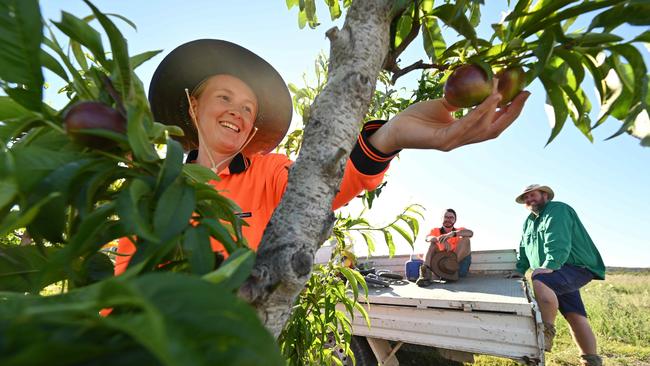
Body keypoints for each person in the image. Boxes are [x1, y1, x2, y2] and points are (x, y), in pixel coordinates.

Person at [114, 38, 529, 275]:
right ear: (192, 106)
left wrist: (391, 135)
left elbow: (330, 182)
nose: (236, 113)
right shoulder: (157, 187)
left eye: (248, 108)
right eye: (224, 97)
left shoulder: (269, 173)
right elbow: (125, 283)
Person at [511, 184, 605, 366]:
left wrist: (550, 265)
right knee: (575, 315)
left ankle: (545, 333)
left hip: (575, 265)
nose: (529, 200)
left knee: (540, 280)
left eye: (532, 195)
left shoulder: (558, 210)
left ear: (545, 195)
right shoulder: (529, 221)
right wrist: (520, 269)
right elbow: (524, 248)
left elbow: (558, 238)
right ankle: (591, 361)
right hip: (558, 270)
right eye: (526, 198)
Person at [416, 209, 473, 286]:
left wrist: (452, 234)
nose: (448, 219)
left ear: (455, 220)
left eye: (451, 217)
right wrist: (439, 239)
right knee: (431, 244)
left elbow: (470, 233)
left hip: (457, 269)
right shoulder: (435, 230)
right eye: (446, 217)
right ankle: (425, 275)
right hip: (440, 268)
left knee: (466, 239)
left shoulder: (459, 231)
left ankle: (451, 268)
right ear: (442, 219)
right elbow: (427, 238)